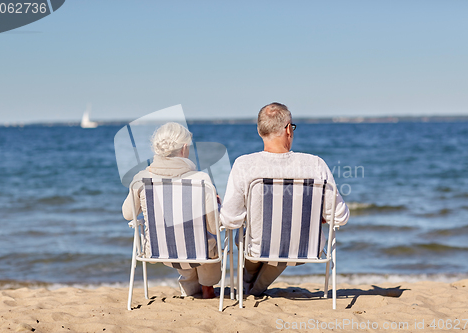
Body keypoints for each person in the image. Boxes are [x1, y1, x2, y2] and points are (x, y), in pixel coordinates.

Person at [220, 102, 350, 296]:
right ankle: (252, 289)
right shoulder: (315, 164)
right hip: (305, 247)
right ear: (288, 129)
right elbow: (340, 217)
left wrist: (254, 217)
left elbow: (230, 219)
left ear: (259, 131)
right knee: (288, 233)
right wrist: (314, 215)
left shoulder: (244, 165)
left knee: (254, 236)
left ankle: (248, 289)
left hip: (258, 247)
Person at [122, 122, 221, 299]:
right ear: (184, 148)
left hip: (156, 249)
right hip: (200, 251)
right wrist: (216, 205)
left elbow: (128, 214)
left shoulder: (142, 179)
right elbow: (214, 228)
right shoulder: (201, 180)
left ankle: (190, 286)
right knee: (206, 238)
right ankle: (207, 287)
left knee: (179, 237)